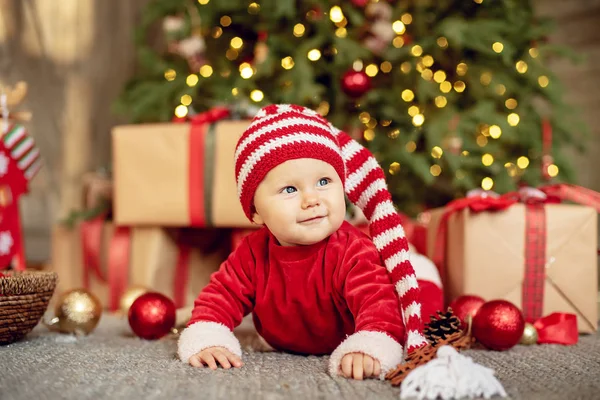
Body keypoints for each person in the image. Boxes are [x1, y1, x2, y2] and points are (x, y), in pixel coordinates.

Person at [178, 104, 439, 380]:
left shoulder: (352, 251)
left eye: (324, 181)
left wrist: (371, 344)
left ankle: (419, 265)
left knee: (423, 300)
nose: (312, 199)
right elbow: (221, 295)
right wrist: (207, 335)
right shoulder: (252, 253)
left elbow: (378, 304)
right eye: (290, 189)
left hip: (350, 330)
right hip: (288, 337)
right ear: (254, 211)